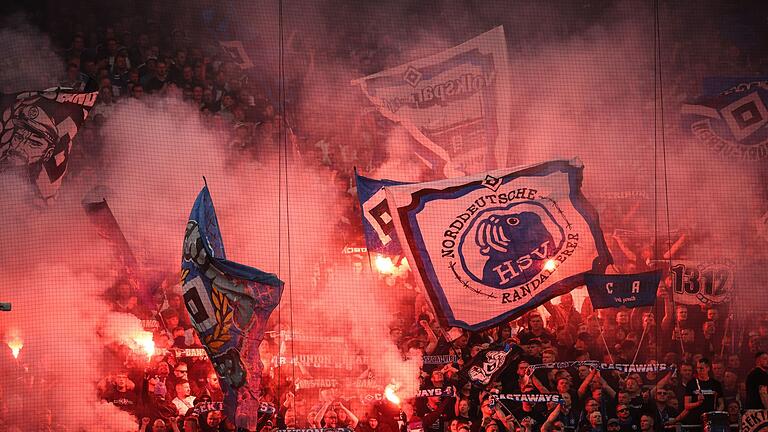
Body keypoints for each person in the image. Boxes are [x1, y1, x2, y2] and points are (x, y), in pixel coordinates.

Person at [684, 358, 724, 425]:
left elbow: (721, 403)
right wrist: (698, 403)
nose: (699, 370)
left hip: (711, 421)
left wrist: (716, 413)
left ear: (708, 368)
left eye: (701, 368)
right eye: (698, 368)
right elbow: (687, 405)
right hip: (695, 421)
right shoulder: (691, 383)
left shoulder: (716, 384)